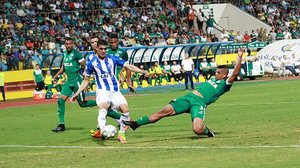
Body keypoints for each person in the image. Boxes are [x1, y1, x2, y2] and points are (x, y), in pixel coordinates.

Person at [123, 49, 245, 138]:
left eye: (218, 72)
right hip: (189, 97)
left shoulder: (225, 85)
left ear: (224, 75)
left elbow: (234, 74)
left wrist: (240, 58)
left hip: (199, 103)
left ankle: (207, 132)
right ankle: (136, 124)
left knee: (197, 129)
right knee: (163, 112)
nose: (215, 73)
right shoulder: (214, 78)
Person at [70, 39, 148, 143]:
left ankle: (121, 133)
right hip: (102, 91)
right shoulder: (91, 63)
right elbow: (86, 80)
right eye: (101, 49)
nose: (103, 51)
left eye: (105, 49)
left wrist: (142, 71)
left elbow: (128, 66)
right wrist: (77, 93)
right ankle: (102, 130)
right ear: (97, 49)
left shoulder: (113, 59)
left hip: (115, 91)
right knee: (103, 106)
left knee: (125, 110)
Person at [51, 37, 98, 132]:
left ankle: (100, 102)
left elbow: (86, 65)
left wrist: (86, 78)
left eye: (70, 44)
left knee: (82, 104)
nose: (68, 45)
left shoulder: (76, 54)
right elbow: (63, 67)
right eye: (66, 44)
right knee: (60, 101)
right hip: (68, 82)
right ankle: (61, 124)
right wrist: (56, 75)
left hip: (77, 81)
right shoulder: (65, 54)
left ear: (72, 44)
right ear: (64, 44)